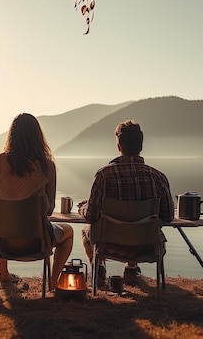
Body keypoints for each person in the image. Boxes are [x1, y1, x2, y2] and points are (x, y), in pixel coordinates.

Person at [78, 119, 175, 287]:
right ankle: (131, 270)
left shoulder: (104, 176)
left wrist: (83, 208)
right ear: (141, 146)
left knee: (86, 232)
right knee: (138, 228)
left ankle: (99, 270)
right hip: (147, 247)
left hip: (108, 246)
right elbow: (168, 216)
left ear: (118, 146)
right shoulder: (158, 178)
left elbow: (91, 216)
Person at [0, 113, 74, 290]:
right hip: (37, 240)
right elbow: (49, 210)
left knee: (0, 222)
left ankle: (3, 275)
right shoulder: (47, 166)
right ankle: (52, 281)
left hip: (4, 241)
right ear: (37, 137)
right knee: (69, 232)